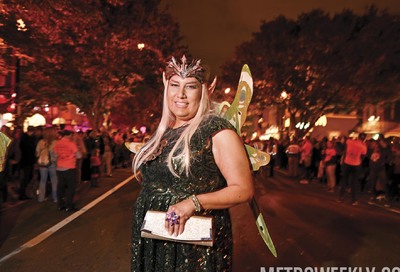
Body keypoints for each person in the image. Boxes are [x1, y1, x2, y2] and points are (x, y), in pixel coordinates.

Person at [131, 56, 254, 271]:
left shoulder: (217, 130)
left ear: (206, 90)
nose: (181, 94)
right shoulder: (162, 133)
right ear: (165, 85)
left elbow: (243, 190)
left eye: (190, 86)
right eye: (175, 85)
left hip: (193, 246)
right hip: (153, 238)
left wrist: (192, 203)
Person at [54, 130, 80, 212]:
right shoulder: (71, 144)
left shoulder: (57, 143)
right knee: (70, 187)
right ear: (69, 135)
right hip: (69, 167)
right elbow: (79, 155)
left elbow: (55, 155)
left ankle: (60, 205)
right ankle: (69, 205)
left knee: (60, 186)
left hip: (59, 167)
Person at [338, 133, 367, 205]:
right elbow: (363, 156)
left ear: (358, 137)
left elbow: (344, 143)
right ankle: (353, 200)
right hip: (356, 164)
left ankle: (341, 197)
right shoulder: (364, 146)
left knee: (344, 180)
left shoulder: (350, 142)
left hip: (347, 162)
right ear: (364, 139)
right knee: (354, 182)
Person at [35, 126, 58, 203]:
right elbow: (57, 154)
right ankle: (55, 198)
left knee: (43, 180)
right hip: (53, 163)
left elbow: (37, 153)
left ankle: (41, 198)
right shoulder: (56, 142)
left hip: (43, 163)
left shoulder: (40, 142)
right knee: (54, 180)